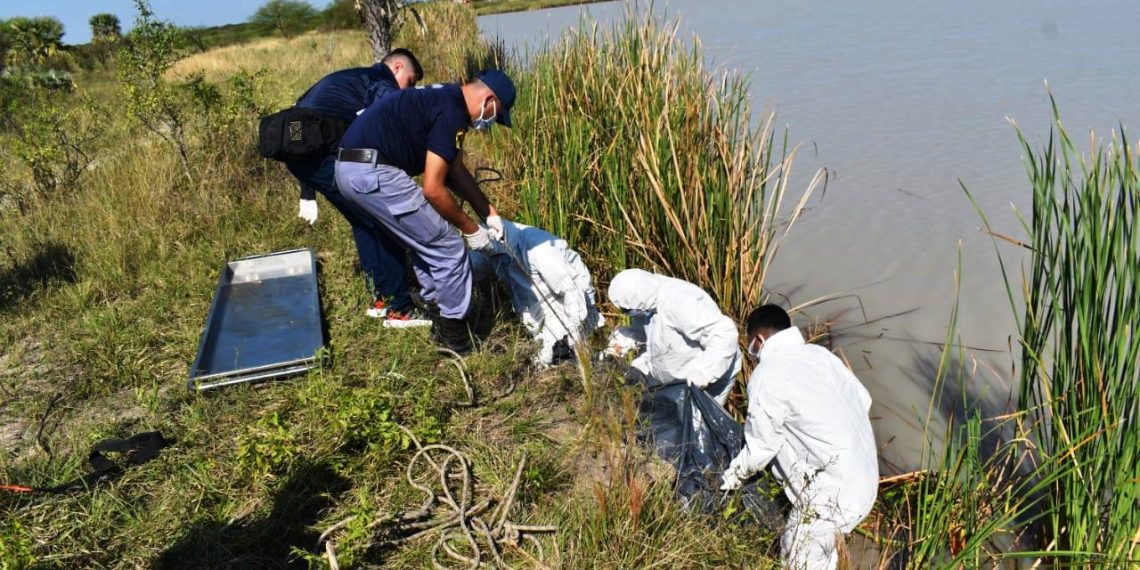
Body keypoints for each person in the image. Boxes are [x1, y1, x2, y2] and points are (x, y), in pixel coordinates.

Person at [334, 70, 517, 354]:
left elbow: (454, 171)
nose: (491, 122)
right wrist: (471, 230)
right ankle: (455, 337)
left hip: (353, 168)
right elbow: (433, 189)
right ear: (489, 99)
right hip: (371, 172)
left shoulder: (445, 99)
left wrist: (489, 212)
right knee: (449, 247)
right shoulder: (452, 112)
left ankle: (436, 307)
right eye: (496, 114)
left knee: (424, 237)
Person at [720, 304, 878, 570]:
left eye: (751, 347)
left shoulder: (767, 374)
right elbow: (863, 400)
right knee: (825, 556)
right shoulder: (821, 355)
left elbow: (762, 446)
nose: (753, 354)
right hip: (866, 482)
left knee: (797, 557)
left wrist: (729, 478)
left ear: (759, 340)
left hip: (830, 497)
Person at [285, 48, 427, 326]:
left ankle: (381, 300)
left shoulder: (351, 77)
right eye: (411, 82)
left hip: (300, 154)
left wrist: (306, 189)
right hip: (319, 157)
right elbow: (395, 108)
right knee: (383, 220)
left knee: (363, 222)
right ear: (397, 67)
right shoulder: (379, 80)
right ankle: (400, 309)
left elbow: (298, 123)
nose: (410, 89)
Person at [471, 219, 605, 366]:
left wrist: (572, 335)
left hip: (563, 305)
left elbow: (572, 292)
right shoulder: (497, 250)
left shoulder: (540, 250)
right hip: (534, 303)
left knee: (554, 359)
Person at [606, 269, 740, 405]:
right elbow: (646, 333)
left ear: (637, 302)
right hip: (674, 377)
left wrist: (702, 374)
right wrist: (615, 350)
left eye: (626, 310)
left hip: (707, 376)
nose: (626, 313)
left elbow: (724, 333)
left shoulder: (680, 301)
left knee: (696, 424)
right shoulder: (648, 300)